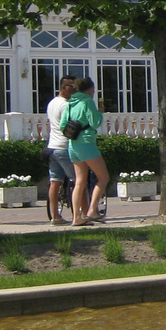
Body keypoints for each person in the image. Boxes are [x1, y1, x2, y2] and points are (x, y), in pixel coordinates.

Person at [63, 78, 108, 226]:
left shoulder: (70, 103)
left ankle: (76, 217)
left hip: (73, 144)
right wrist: (100, 113)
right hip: (87, 143)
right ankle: (92, 211)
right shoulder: (87, 102)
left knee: (79, 182)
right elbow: (95, 122)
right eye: (93, 89)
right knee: (103, 178)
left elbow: (63, 125)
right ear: (89, 89)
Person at [45, 75, 77, 225]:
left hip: (52, 147)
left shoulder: (52, 103)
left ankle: (55, 216)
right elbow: (69, 127)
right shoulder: (65, 105)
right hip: (64, 147)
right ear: (63, 87)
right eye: (71, 86)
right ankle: (80, 214)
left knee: (55, 182)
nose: (75, 89)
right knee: (78, 181)